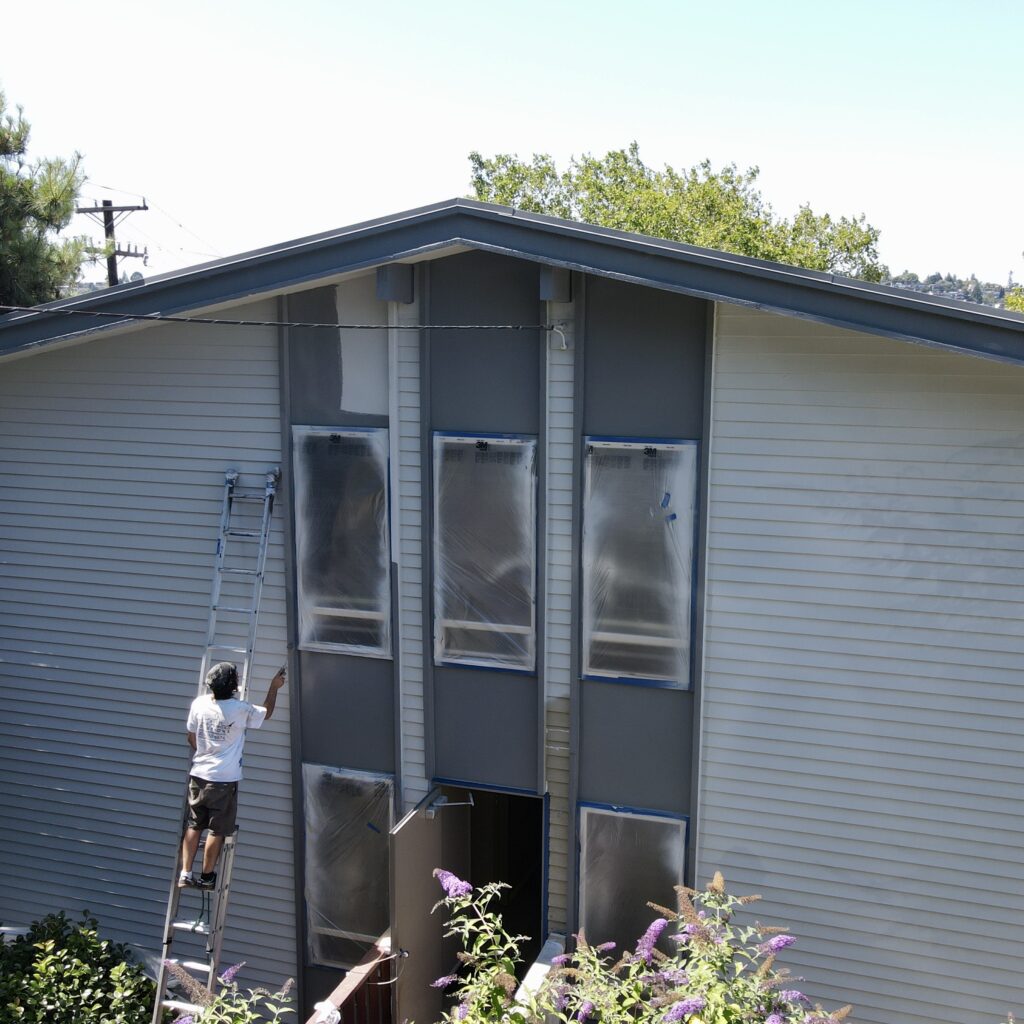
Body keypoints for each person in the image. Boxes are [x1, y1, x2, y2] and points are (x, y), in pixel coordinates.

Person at [178, 661, 287, 889]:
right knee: (216, 830)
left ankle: (185, 874)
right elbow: (266, 712)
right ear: (234, 686)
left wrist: (206, 752)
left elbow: (191, 738)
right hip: (223, 782)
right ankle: (207, 876)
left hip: (198, 777)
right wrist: (274, 687)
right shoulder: (240, 710)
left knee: (193, 825)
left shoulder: (198, 704)